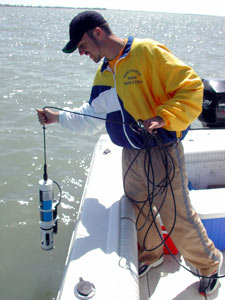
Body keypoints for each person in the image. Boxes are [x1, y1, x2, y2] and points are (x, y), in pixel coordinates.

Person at [37, 10, 223, 296]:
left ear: (97, 32)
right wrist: (56, 118)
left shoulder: (147, 52)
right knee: (137, 207)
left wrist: (163, 117)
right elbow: (90, 115)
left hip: (162, 151)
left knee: (177, 214)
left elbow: (191, 86)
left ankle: (209, 266)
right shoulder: (104, 72)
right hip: (130, 154)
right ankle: (152, 255)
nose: (81, 53)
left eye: (81, 46)